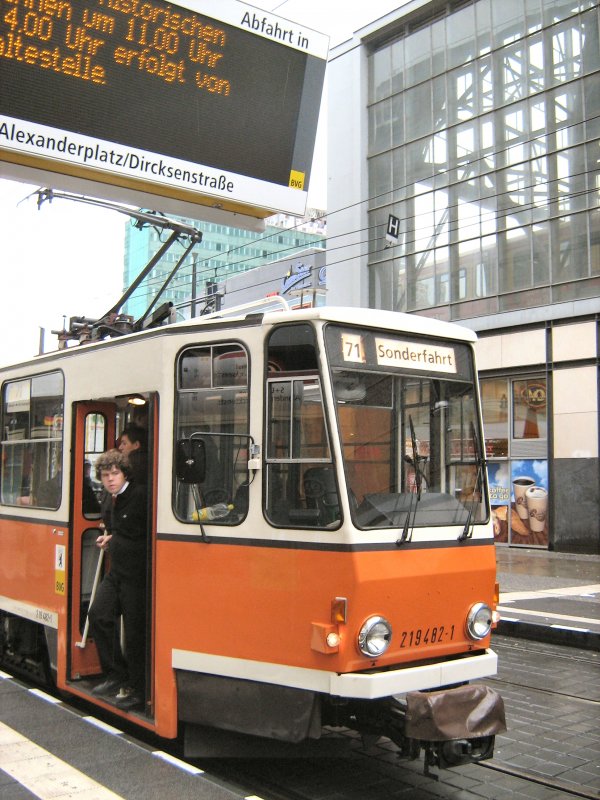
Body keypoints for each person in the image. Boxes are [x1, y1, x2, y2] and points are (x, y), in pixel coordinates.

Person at [88, 449, 148, 712]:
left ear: (125, 474)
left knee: (135, 633)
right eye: (105, 475)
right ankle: (116, 674)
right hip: (117, 572)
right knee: (98, 614)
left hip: (137, 575)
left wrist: (116, 539)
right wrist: (109, 538)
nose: (110, 479)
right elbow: (117, 529)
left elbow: (146, 533)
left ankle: (138, 688)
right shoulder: (107, 499)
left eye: (115, 473)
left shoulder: (140, 495)